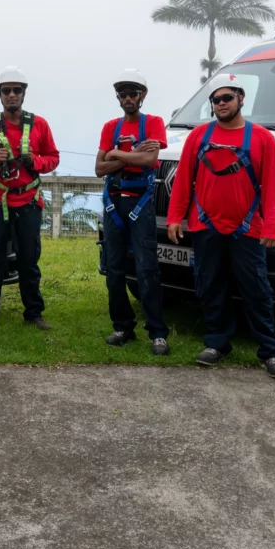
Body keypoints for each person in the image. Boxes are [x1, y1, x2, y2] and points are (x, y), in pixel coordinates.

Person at [166, 72, 275, 378]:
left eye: (227, 98)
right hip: (205, 226)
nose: (221, 104)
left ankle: (270, 351)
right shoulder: (198, 137)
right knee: (210, 285)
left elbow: (273, 187)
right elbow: (183, 181)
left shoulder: (262, 139)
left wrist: (272, 226)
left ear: (241, 98)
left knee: (256, 289)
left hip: (248, 228)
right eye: (216, 99)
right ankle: (217, 343)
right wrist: (175, 217)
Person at [0, 66, 60, 333]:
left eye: (17, 90)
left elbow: (53, 157)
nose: (12, 95)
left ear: (24, 93)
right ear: (0, 95)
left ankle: (34, 313)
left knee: (29, 260)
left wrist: (35, 161)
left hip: (28, 202)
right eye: (6, 91)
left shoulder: (39, 125)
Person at [96, 69, 170, 355]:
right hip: (114, 203)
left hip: (141, 203)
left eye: (133, 93)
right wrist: (133, 155)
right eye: (123, 94)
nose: (128, 98)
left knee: (146, 267)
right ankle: (123, 327)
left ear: (142, 95)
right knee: (114, 268)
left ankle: (157, 333)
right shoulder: (110, 127)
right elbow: (99, 168)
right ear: (118, 98)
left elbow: (151, 160)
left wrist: (116, 153)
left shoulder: (154, 123)